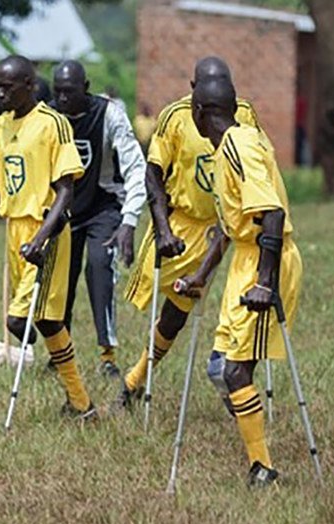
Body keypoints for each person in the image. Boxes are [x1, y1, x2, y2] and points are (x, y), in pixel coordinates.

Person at [0, 55, 95, 420]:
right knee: (47, 322)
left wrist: (42, 238)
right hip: (15, 231)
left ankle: (74, 398)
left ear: (29, 85)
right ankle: (81, 404)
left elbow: (65, 191)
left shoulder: (52, 124)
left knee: (19, 321)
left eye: (8, 87)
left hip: (46, 233)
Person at [119, 58, 263, 406]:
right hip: (179, 221)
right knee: (157, 300)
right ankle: (129, 374)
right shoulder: (174, 116)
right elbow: (153, 175)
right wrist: (163, 229)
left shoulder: (244, 113)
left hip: (220, 226)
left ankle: (137, 380)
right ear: (193, 88)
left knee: (186, 308)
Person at [182, 76, 302, 487]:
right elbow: (227, 228)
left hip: (266, 261)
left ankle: (262, 468)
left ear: (200, 113)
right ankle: (254, 442)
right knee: (220, 369)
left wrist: (265, 282)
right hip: (244, 260)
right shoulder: (222, 151)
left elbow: (272, 214)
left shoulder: (240, 145)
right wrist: (199, 277)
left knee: (235, 371)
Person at [50, 61, 146, 377]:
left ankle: (108, 356)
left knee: (98, 266)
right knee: (59, 281)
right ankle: (59, 353)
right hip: (61, 210)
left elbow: (135, 168)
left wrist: (129, 220)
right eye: (58, 92)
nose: (63, 99)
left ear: (86, 87)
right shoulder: (49, 118)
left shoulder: (109, 115)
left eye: (70, 92)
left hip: (102, 208)